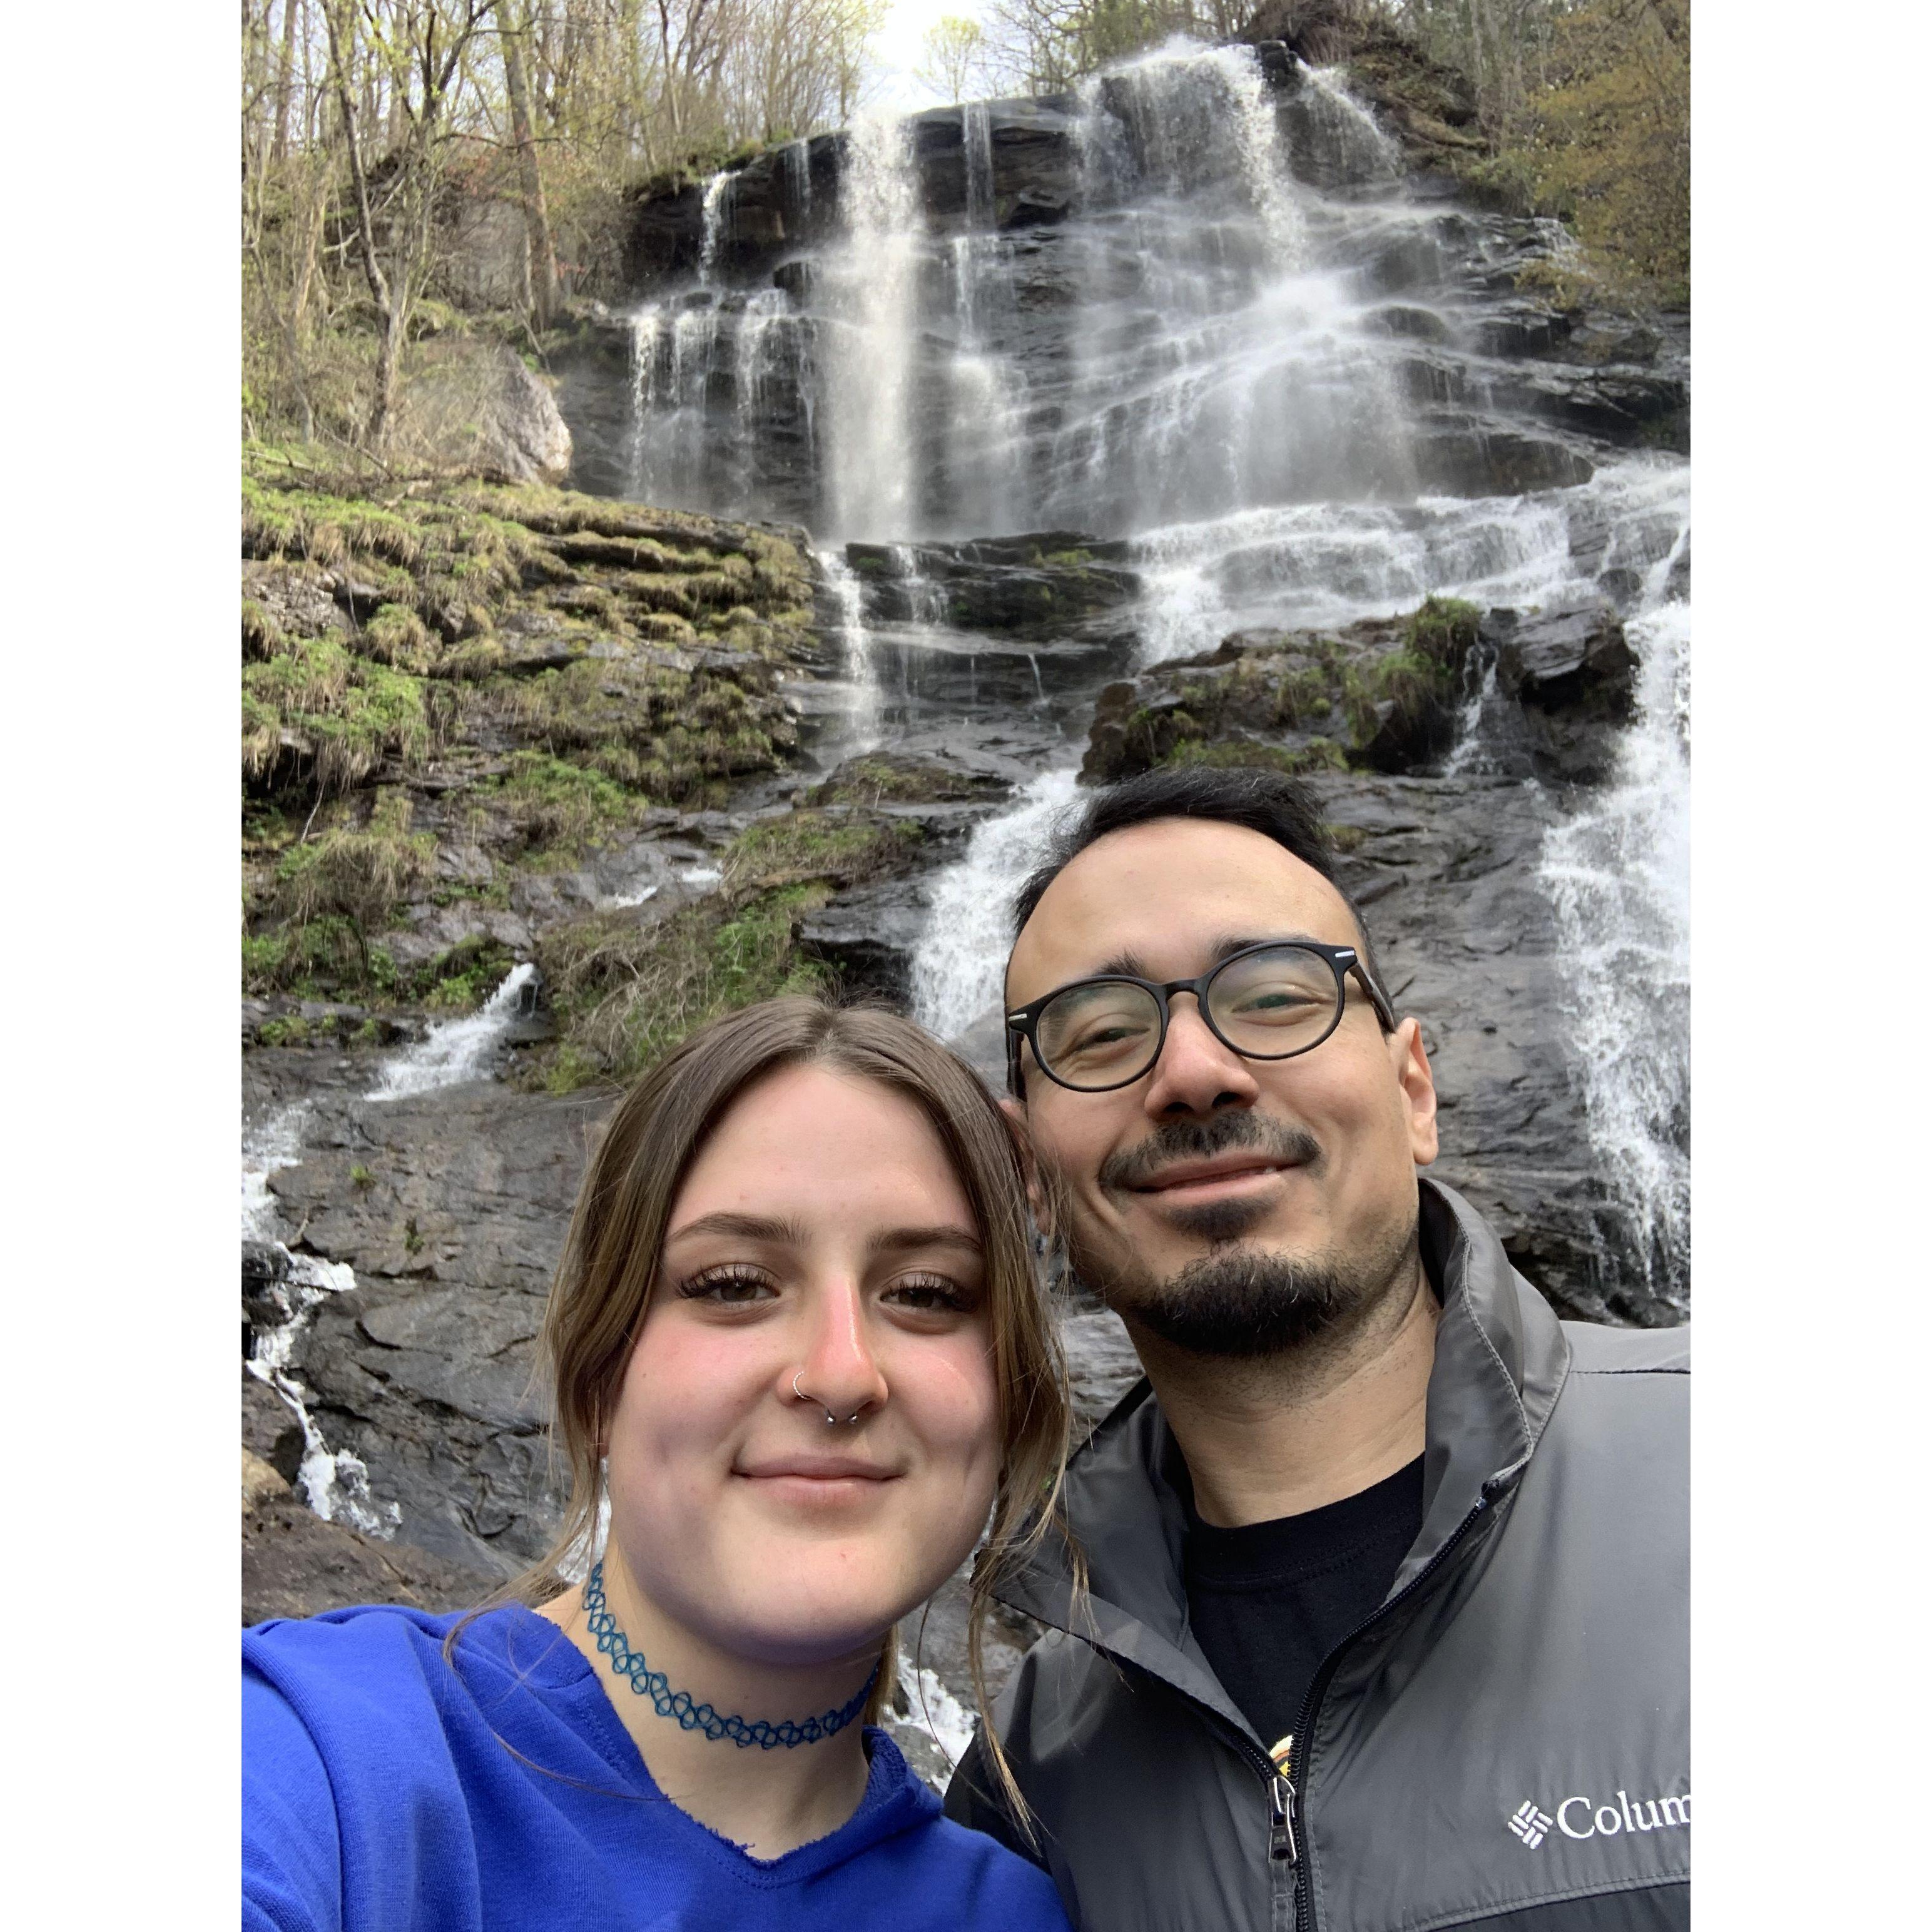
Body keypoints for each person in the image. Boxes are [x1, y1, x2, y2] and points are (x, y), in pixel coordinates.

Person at [945, 765, 1689, 1932]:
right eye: (1098, 1032)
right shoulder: (1027, 1783)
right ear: (1029, 1174)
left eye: (1280, 996)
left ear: (1413, 1088)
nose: (1193, 1074)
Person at [245, 997, 1076, 1932]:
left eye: (927, 1293)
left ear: (1009, 1405)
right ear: (601, 1382)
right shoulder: (321, 1754)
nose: (842, 1371)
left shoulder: (1016, 1913)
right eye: (733, 1285)